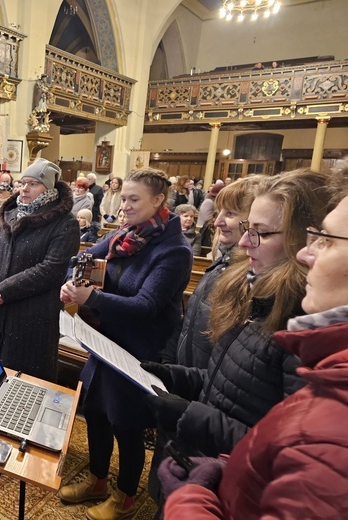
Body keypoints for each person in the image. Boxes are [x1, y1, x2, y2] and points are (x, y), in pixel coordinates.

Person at [142, 169, 333, 510]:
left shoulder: (301, 326)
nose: (244, 243)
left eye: (260, 233)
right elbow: (233, 382)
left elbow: (276, 449)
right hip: (202, 466)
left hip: (230, 488)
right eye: (248, 229)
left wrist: (192, 416)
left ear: (305, 242)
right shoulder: (254, 293)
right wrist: (180, 377)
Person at [57, 168, 192, 520]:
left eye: (134, 200)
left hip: (139, 349)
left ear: (159, 200)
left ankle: (125, 497)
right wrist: (74, 283)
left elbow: (147, 306)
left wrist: (92, 299)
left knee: (126, 425)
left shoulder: (174, 250)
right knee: (97, 415)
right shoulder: (127, 234)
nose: (124, 206)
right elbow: (81, 258)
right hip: (104, 341)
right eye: (124, 198)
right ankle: (98, 479)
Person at [0, 158, 79, 381]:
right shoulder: (11, 214)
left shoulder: (64, 223)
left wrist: (3, 290)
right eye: (22, 182)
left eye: (33, 184)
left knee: (24, 382)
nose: (24, 189)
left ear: (49, 188)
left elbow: (51, 269)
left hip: (33, 318)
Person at [161, 177, 261, 368]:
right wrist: (169, 358)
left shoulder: (251, 276)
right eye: (219, 212)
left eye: (230, 213)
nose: (218, 222)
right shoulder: (221, 263)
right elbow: (190, 321)